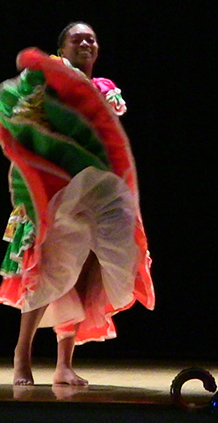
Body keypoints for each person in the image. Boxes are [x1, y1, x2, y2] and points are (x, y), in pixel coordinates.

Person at [0, 22, 155, 386]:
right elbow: (25, 119)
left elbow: (104, 137)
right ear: (62, 48)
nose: (86, 43)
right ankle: (22, 355)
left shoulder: (104, 89)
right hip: (56, 186)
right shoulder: (46, 80)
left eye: (92, 39)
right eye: (77, 38)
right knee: (48, 265)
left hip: (91, 186)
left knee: (81, 272)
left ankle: (63, 364)